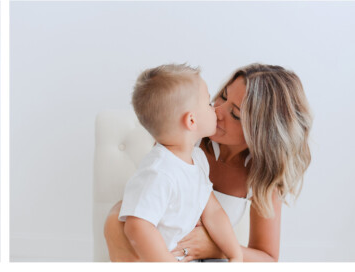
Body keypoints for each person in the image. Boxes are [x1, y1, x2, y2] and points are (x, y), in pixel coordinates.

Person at [105, 64, 312, 261]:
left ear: (262, 133)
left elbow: (267, 258)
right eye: (222, 96)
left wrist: (217, 247)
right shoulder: (185, 142)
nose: (217, 110)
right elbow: (144, 203)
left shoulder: (262, 175)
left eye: (235, 114)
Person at [118, 65, 242, 262]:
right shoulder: (158, 170)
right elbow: (137, 226)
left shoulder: (197, 159)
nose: (216, 110)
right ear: (191, 121)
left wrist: (236, 255)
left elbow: (214, 212)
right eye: (209, 103)